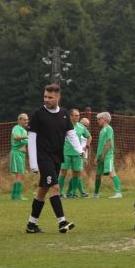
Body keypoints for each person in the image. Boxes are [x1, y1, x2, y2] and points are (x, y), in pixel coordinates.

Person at [26, 83, 79, 234]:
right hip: (43, 157)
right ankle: (62, 222)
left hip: (57, 157)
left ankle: (31, 225)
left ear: (58, 97)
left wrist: (80, 150)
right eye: (45, 96)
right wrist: (33, 163)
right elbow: (31, 139)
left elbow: (71, 134)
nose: (46, 99)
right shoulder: (38, 114)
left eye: (50, 97)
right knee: (55, 187)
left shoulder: (64, 113)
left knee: (42, 190)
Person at [59, 108, 88, 198]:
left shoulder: (81, 127)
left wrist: (86, 146)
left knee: (76, 173)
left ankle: (73, 193)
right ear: (70, 116)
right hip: (65, 153)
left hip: (77, 154)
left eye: (78, 115)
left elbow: (89, 136)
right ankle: (59, 193)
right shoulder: (63, 125)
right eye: (76, 115)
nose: (78, 117)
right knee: (63, 172)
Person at [93, 112, 122, 198]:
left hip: (107, 155)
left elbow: (109, 143)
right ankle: (95, 194)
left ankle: (118, 193)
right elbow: (100, 145)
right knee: (98, 175)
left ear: (104, 119)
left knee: (112, 173)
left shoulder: (109, 128)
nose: (98, 121)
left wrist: (103, 155)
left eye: (99, 119)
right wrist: (97, 156)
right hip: (101, 156)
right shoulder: (102, 130)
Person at [10, 113, 29, 201]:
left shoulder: (23, 130)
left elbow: (24, 143)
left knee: (19, 175)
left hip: (21, 154)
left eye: (27, 119)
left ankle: (14, 196)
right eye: (24, 119)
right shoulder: (17, 128)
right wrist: (27, 136)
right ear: (19, 120)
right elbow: (16, 137)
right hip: (16, 153)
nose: (26, 121)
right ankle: (17, 196)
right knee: (19, 175)